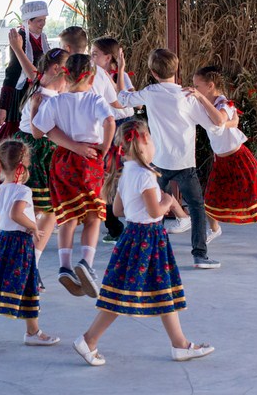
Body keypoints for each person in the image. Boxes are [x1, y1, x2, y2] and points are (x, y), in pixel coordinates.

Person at [73, 119, 215, 366]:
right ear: (145, 141)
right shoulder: (147, 176)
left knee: (158, 291)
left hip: (132, 237)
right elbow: (153, 212)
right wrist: (169, 202)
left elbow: (116, 210)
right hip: (148, 239)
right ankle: (89, 339)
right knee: (128, 294)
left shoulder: (126, 172)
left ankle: (179, 344)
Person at [116, 48, 225, 270]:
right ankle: (200, 255)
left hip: (158, 162)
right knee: (196, 208)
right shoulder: (188, 97)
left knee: (152, 209)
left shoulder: (150, 92)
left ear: (153, 73)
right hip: (185, 161)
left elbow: (123, 98)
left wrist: (120, 70)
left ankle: (151, 252)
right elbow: (213, 124)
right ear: (177, 69)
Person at [0, 139, 60, 351]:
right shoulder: (23, 191)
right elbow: (16, 213)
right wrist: (33, 226)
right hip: (19, 244)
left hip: (4, 241)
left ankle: (33, 332)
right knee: (6, 289)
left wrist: (5, 222)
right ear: (23, 166)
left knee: (27, 285)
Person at [31, 54, 115, 297]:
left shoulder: (55, 102)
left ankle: (65, 266)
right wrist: (105, 148)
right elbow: (109, 121)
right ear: (91, 76)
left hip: (62, 161)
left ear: (65, 75)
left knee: (66, 216)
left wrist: (36, 108)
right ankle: (86, 263)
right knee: (93, 215)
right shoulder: (94, 99)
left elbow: (39, 132)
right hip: (89, 160)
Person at [193, 66, 257, 259]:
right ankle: (214, 230)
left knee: (254, 206)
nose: (194, 88)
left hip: (238, 161)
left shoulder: (224, 103)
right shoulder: (208, 102)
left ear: (210, 85)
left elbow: (220, 120)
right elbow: (227, 123)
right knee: (210, 201)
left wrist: (200, 98)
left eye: (197, 85)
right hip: (221, 161)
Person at [13, 48, 68, 266]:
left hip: (27, 147)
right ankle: (31, 261)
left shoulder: (38, 85)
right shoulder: (47, 99)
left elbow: (32, 71)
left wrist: (18, 48)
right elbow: (42, 131)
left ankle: (26, 259)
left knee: (35, 209)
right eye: (68, 74)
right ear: (56, 69)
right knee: (46, 209)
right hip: (40, 151)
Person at [90, 36, 135, 244]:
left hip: (125, 125)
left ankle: (137, 219)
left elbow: (124, 99)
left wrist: (118, 75)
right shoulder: (92, 75)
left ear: (108, 57)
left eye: (95, 54)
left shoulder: (121, 75)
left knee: (128, 174)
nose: (92, 57)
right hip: (106, 127)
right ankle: (114, 226)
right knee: (107, 178)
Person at [0, 1, 51, 134]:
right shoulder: (20, 39)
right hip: (23, 94)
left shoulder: (42, 37)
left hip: (40, 90)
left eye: (44, 20)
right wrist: (2, 107)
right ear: (28, 21)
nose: (43, 24)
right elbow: (12, 73)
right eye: (38, 21)